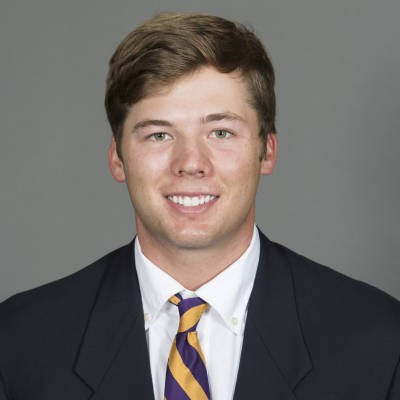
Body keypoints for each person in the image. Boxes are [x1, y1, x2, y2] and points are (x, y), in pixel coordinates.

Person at [0, 12, 399, 400]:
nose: (191, 163)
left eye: (220, 132)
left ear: (267, 151)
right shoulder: (19, 343)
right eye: (159, 135)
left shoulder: (380, 342)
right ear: (117, 158)